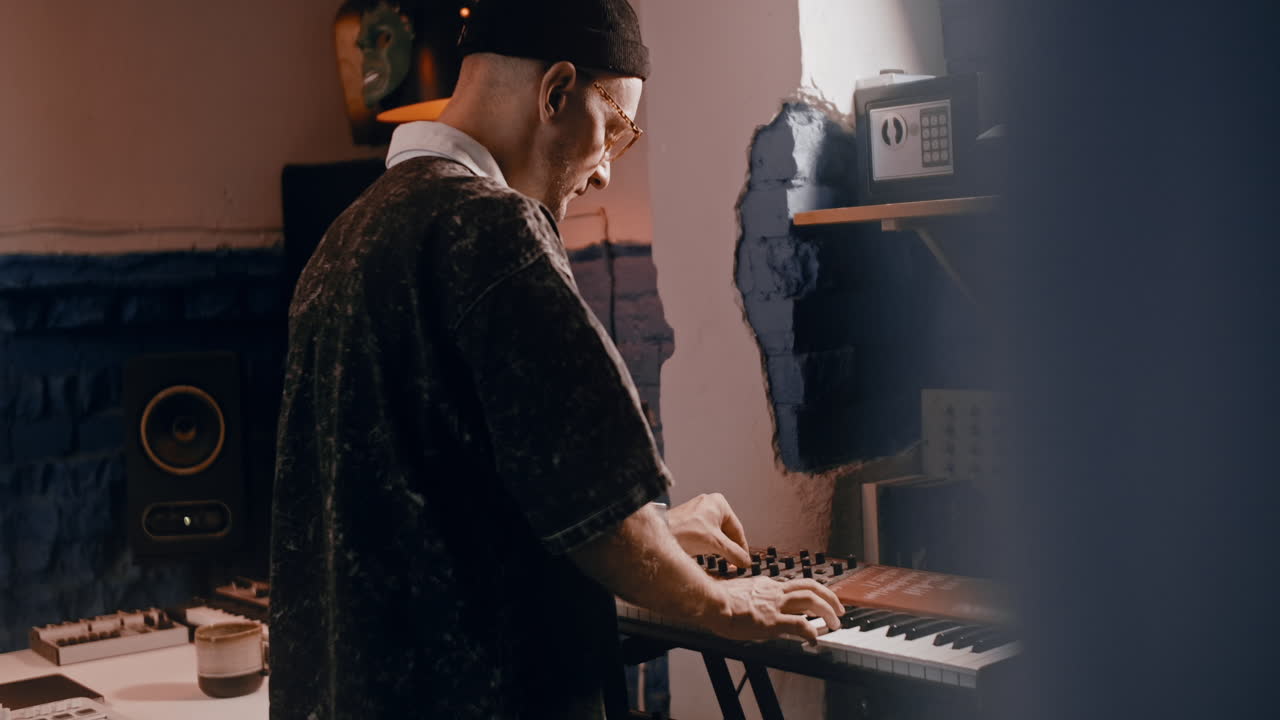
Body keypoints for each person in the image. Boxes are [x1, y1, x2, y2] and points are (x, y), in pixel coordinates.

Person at [268, 1, 843, 718]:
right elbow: (604, 523)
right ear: (557, 92)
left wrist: (659, 529)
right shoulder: (491, 227)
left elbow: (446, 503)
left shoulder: (347, 239)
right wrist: (725, 603)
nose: (603, 173)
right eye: (616, 131)